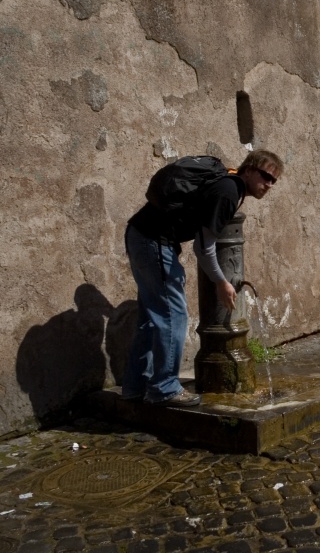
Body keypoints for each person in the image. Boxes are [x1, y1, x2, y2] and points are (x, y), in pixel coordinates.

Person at [121, 150, 284, 406]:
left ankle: (134, 387)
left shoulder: (225, 182)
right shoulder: (229, 191)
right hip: (154, 242)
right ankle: (164, 389)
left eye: (274, 181)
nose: (269, 185)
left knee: (151, 319)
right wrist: (221, 281)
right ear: (249, 169)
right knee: (173, 316)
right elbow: (203, 247)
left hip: (140, 235)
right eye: (266, 176)